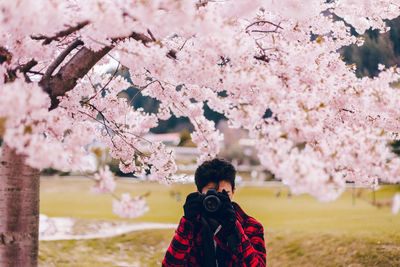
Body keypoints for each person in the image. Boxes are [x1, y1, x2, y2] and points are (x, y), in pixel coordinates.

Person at [162, 158, 266, 267]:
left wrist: (234, 229)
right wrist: (187, 224)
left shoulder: (251, 226)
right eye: (212, 195)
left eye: (224, 195)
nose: (218, 201)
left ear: (234, 191)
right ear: (199, 193)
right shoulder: (193, 226)